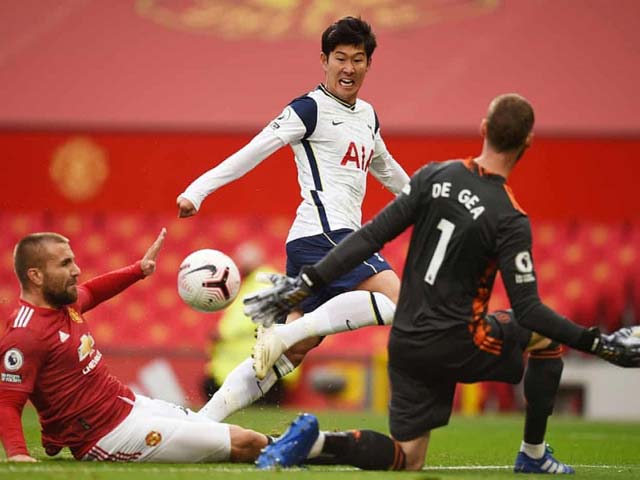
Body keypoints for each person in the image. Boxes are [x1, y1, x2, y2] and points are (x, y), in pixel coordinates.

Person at [244, 94, 640, 472]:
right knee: (545, 339)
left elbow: (367, 238)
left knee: (408, 457)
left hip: (407, 340)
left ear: (483, 128)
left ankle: (318, 443)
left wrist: (306, 282)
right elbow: (529, 310)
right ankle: (533, 454)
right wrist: (597, 343)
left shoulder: (433, 176)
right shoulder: (510, 217)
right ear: (528, 143)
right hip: (457, 341)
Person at [177, 16, 409, 421]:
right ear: (324, 60)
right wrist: (198, 189)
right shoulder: (309, 108)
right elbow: (256, 148)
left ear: (369, 64)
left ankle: (202, 422)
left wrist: (425, 202)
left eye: (358, 59)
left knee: (289, 355)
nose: (349, 68)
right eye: (340, 58)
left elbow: (386, 168)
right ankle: (285, 329)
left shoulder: (368, 116)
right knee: (400, 301)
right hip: (326, 234)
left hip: (321, 241)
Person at [0, 230, 269, 463]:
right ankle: (304, 448)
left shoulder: (65, 304)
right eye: (65, 263)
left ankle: (302, 445)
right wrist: (17, 452)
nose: (76, 270)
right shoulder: (25, 334)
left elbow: (93, 291)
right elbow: (7, 401)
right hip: (106, 436)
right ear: (35, 275)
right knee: (243, 442)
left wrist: (139, 269)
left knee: (232, 433)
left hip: (128, 405)